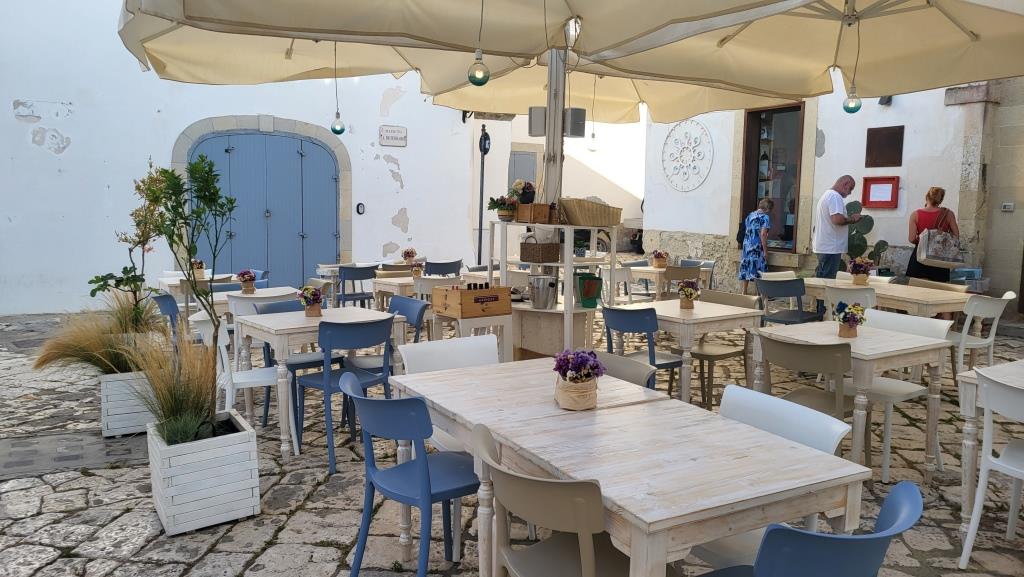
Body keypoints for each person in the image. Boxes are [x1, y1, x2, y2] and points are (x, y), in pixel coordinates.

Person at [812, 175, 862, 279]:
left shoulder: (827, 195)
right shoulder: (835, 196)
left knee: (822, 278)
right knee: (828, 280)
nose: (850, 192)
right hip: (830, 247)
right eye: (851, 188)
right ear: (845, 184)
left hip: (825, 246)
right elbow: (837, 219)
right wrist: (853, 219)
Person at [906, 186, 959, 283]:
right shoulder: (948, 214)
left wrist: (924, 239)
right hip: (939, 258)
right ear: (940, 200)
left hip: (920, 256)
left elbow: (911, 238)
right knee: (938, 289)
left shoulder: (915, 214)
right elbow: (956, 236)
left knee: (916, 288)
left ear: (926, 197)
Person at [738, 198, 773, 294]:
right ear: (768, 208)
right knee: (759, 269)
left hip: (747, 245)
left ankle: (744, 291)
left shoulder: (750, 215)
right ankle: (760, 293)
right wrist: (765, 251)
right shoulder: (765, 217)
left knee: (747, 266)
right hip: (756, 246)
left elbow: (747, 229)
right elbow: (763, 234)